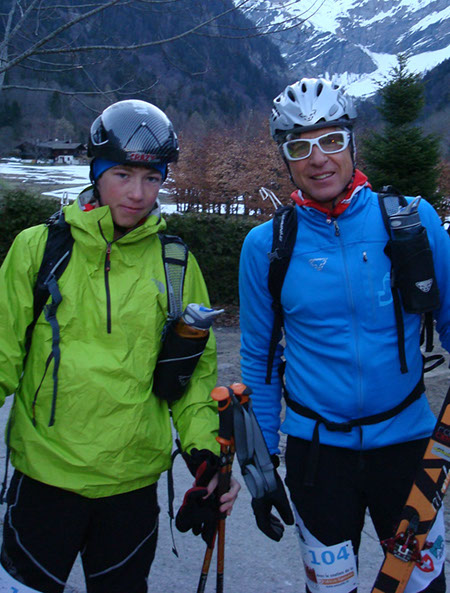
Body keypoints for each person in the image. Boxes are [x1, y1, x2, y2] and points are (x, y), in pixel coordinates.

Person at [0, 99, 239, 593]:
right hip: (45, 480)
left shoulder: (176, 265)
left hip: (131, 488)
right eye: (123, 174)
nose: (137, 193)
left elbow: (192, 378)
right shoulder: (38, 249)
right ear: (96, 172)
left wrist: (204, 458)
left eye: (152, 178)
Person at [239, 78, 450, 593]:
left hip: (408, 449)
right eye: (300, 147)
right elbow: (259, 362)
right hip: (318, 460)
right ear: (285, 158)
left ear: (352, 143)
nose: (319, 159)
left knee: (422, 588)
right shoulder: (266, 246)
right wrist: (261, 465)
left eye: (332, 140)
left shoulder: (412, 221)